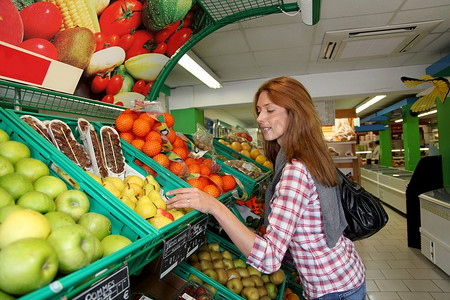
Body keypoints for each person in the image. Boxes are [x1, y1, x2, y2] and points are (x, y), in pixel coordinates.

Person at [166, 77, 366, 300]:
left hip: (331, 289)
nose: (260, 118)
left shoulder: (295, 171)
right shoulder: (312, 154)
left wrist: (214, 205)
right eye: (259, 110)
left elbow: (269, 259)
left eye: (270, 110)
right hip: (345, 273)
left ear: (295, 112)